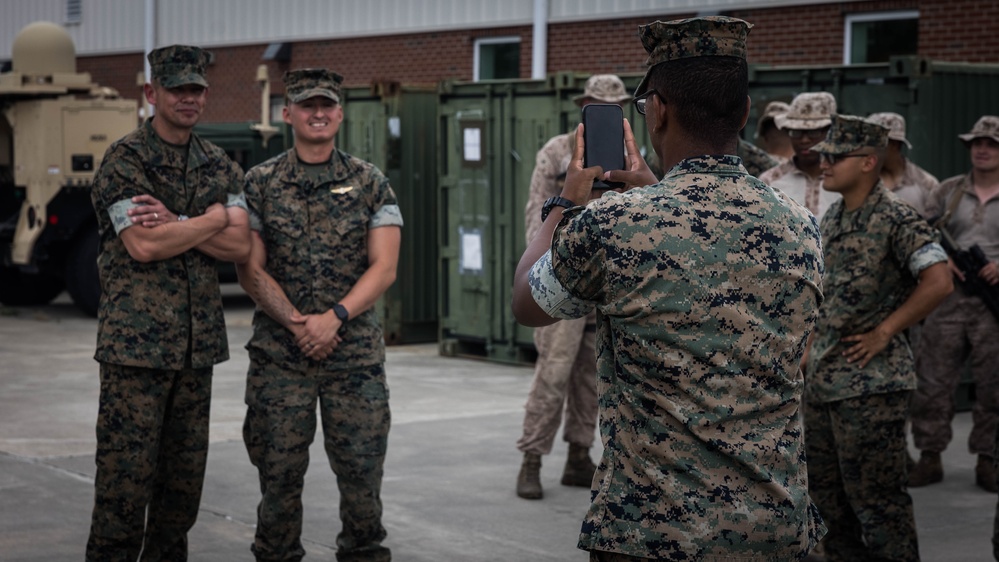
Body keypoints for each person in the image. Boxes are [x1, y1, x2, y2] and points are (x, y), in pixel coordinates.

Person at [512, 16, 826, 560]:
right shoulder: (800, 223)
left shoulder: (612, 224)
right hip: (773, 526)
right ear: (747, 113)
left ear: (655, 110)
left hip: (651, 531)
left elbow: (527, 303)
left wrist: (563, 206)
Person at [86, 45, 251, 560]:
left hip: (195, 354)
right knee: (123, 492)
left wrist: (178, 222)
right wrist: (213, 218)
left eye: (195, 89)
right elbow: (143, 244)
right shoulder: (125, 159)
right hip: (135, 355)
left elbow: (242, 246)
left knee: (180, 497)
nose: (187, 98)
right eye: (176, 88)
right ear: (151, 93)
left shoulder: (218, 161)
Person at [236, 68, 402, 562]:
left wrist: (334, 317)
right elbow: (249, 267)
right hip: (280, 359)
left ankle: (363, 552)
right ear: (287, 114)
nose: (318, 113)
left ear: (340, 113)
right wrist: (297, 323)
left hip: (354, 359)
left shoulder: (369, 181)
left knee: (362, 474)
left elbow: (385, 266)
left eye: (327, 105)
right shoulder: (261, 182)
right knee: (278, 476)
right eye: (307, 105)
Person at [803, 114, 952, 562]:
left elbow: (940, 280)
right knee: (831, 507)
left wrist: (886, 331)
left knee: (879, 507)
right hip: (825, 386)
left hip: (872, 388)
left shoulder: (895, 217)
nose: (823, 163)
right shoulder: (832, 217)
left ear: (869, 161)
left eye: (835, 156)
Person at [516, 74, 630, 500]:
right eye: (598, 104)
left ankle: (579, 455)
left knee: (593, 374)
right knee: (554, 371)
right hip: (563, 277)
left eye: (614, 105)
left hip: (609, 280)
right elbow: (536, 216)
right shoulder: (557, 152)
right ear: (583, 104)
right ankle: (531, 458)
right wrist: (545, 274)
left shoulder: (631, 156)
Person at [910, 115, 999, 492]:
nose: (982, 149)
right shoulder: (948, 191)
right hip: (948, 300)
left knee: (994, 386)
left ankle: (988, 459)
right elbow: (918, 232)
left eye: (992, 143)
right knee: (932, 382)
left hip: (992, 305)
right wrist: (939, 257)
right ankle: (930, 456)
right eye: (977, 142)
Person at [760, 92, 841, 220]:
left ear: (831, 132)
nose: (804, 140)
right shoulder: (770, 182)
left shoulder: (847, 180)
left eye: (814, 132)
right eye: (796, 132)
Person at [867, 112, 939, 218]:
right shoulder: (862, 179)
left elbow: (935, 228)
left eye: (876, 142)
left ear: (895, 145)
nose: (870, 148)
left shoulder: (926, 184)